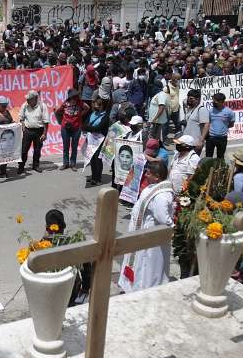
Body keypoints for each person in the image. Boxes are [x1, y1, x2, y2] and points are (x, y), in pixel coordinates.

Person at [118, 161, 175, 293]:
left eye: (148, 173)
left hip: (151, 235)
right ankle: (131, 285)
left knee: (146, 263)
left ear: (157, 177)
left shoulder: (162, 195)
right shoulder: (153, 187)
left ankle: (145, 287)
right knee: (137, 260)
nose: (145, 175)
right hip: (141, 230)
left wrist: (172, 226)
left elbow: (162, 217)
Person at [56, 88, 89, 170]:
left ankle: (73, 164)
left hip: (76, 128)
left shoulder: (80, 103)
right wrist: (62, 119)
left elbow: (87, 108)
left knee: (74, 146)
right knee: (66, 146)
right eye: (73, 96)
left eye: (75, 96)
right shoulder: (65, 103)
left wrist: (80, 115)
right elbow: (58, 111)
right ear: (70, 97)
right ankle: (65, 163)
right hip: (65, 128)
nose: (75, 98)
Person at [18, 90, 49, 174]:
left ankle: (36, 165)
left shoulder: (42, 106)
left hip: (39, 131)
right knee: (24, 150)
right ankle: (21, 166)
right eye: (27, 99)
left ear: (35, 98)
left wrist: (45, 133)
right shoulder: (24, 105)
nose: (27, 100)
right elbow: (21, 117)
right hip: (27, 131)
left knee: (37, 150)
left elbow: (46, 121)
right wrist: (23, 125)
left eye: (29, 99)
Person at [83, 97, 110, 187]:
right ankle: (93, 176)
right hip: (91, 139)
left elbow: (98, 128)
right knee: (92, 158)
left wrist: (89, 128)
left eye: (98, 105)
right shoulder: (93, 113)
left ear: (102, 106)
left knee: (98, 159)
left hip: (100, 140)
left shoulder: (105, 116)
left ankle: (98, 178)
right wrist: (90, 129)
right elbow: (85, 124)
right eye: (95, 104)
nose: (95, 106)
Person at [203, 93, 234, 159]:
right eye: (213, 101)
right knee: (208, 157)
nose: (213, 102)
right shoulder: (210, 111)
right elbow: (207, 123)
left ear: (222, 102)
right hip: (210, 138)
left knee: (220, 157)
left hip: (222, 138)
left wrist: (223, 127)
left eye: (215, 101)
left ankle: (219, 169)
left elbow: (231, 124)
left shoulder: (229, 112)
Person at [183, 88, 208, 154]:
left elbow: (206, 125)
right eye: (188, 97)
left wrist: (201, 141)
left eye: (191, 98)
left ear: (197, 99)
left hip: (195, 143)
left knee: (193, 162)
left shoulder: (201, 109)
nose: (188, 100)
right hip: (186, 142)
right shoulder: (189, 109)